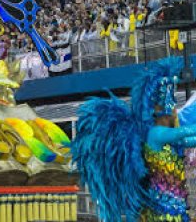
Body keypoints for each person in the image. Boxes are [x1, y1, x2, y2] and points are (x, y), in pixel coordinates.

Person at [73, 57, 196, 221]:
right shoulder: (156, 134)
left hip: (177, 208)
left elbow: (190, 139)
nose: (175, 113)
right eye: (172, 110)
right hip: (161, 211)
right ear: (162, 112)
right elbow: (187, 131)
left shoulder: (170, 141)